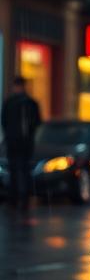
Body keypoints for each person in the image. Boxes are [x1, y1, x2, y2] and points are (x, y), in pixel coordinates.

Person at [2, 76, 41, 209]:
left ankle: (24, 198)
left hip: (25, 142)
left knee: (24, 169)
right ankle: (15, 198)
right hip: (14, 142)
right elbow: (4, 121)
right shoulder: (10, 102)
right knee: (14, 169)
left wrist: (28, 134)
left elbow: (36, 121)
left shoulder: (29, 103)